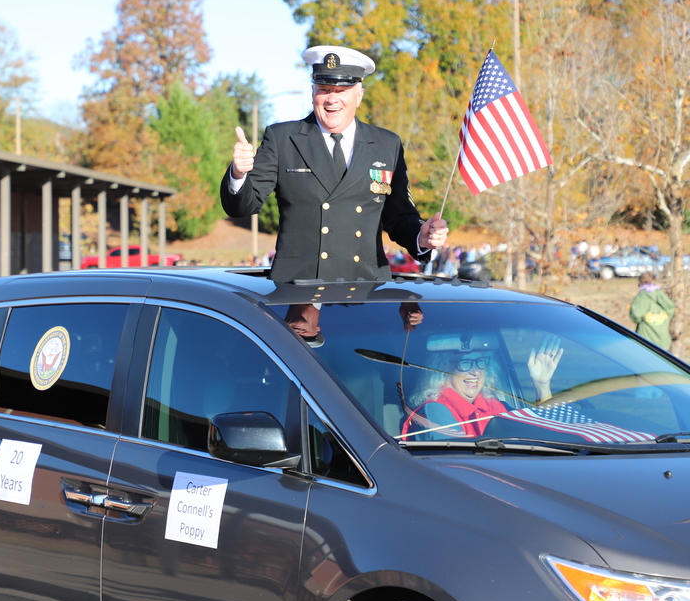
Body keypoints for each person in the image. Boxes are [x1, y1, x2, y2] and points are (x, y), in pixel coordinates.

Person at [220, 45, 449, 283]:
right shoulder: (282, 138)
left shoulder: (386, 143)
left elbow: (398, 216)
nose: (332, 99)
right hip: (299, 290)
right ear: (312, 92)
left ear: (358, 96)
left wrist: (420, 237)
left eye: (341, 90)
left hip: (365, 287)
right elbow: (243, 207)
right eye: (324, 89)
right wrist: (238, 174)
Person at [401, 335, 562, 439]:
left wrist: (542, 386)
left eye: (480, 362)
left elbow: (542, 436)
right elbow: (457, 465)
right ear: (443, 368)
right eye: (465, 363)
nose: (475, 371)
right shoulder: (435, 411)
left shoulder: (493, 406)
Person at [629, 272, 676, 351]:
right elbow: (671, 309)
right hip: (664, 343)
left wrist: (643, 320)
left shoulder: (642, 297)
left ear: (640, 282)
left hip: (646, 342)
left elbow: (636, 315)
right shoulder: (661, 295)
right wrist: (663, 319)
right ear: (654, 281)